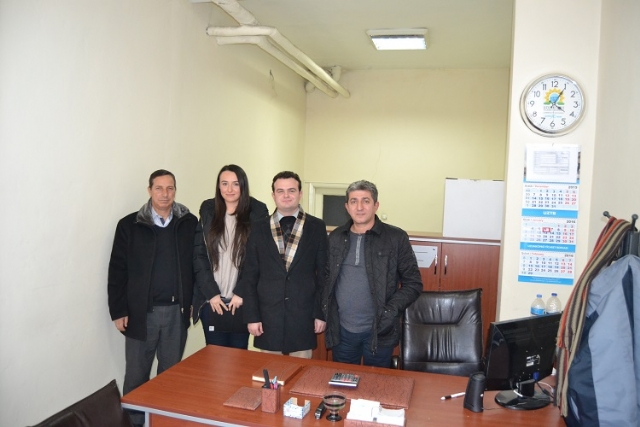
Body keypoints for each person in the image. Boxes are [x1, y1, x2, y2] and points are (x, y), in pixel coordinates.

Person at [107, 169, 197, 426]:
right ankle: (134, 423)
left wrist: (193, 302)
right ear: (149, 190)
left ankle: (162, 422)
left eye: (170, 188)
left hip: (177, 313)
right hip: (140, 314)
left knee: (170, 377)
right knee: (136, 378)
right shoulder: (130, 225)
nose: (164, 194)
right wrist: (118, 310)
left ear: (175, 190)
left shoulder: (188, 223)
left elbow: (196, 265)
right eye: (159, 188)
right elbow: (117, 270)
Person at [323, 180, 422, 368]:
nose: (359, 207)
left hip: (380, 330)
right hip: (342, 331)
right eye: (354, 201)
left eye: (366, 201)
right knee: (343, 382)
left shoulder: (395, 238)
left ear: (376, 205)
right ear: (347, 207)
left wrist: (390, 311)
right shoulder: (336, 237)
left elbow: (413, 283)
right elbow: (327, 279)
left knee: (377, 383)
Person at [237, 171, 327, 358]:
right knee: (270, 373)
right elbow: (250, 275)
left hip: (303, 318)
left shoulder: (317, 227)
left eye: (291, 190)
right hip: (267, 318)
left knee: (301, 372)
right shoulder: (258, 228)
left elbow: (324, 275)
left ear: (300, 194)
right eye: (280, 191)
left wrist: (320, 313)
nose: (286, 195)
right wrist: (252, 317)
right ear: (273, 195)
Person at [192, 164, 268, 348]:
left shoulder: (257, 213)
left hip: (241, 301)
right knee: (214, 356)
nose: (230, 189)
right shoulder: (208, 211)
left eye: (235, 184)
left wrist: (241, 292)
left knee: (238, 357)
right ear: (219, 186)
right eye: (224, 183)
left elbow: (259, 259)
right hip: (212, 301)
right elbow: (199, 256)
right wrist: (211, 294)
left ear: (243, 185)